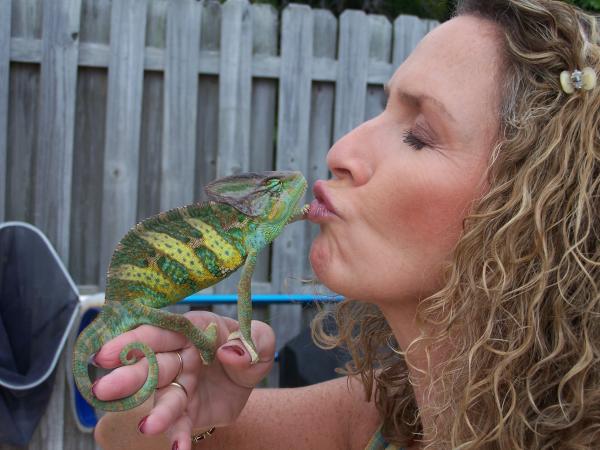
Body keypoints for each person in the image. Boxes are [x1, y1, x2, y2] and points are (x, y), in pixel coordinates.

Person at [92, 0, 600, 448]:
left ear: (533, 204)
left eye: (419, 136)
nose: (341, 152)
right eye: (384, 110)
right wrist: (194, 402)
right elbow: (123, 435)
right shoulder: (378, 420)